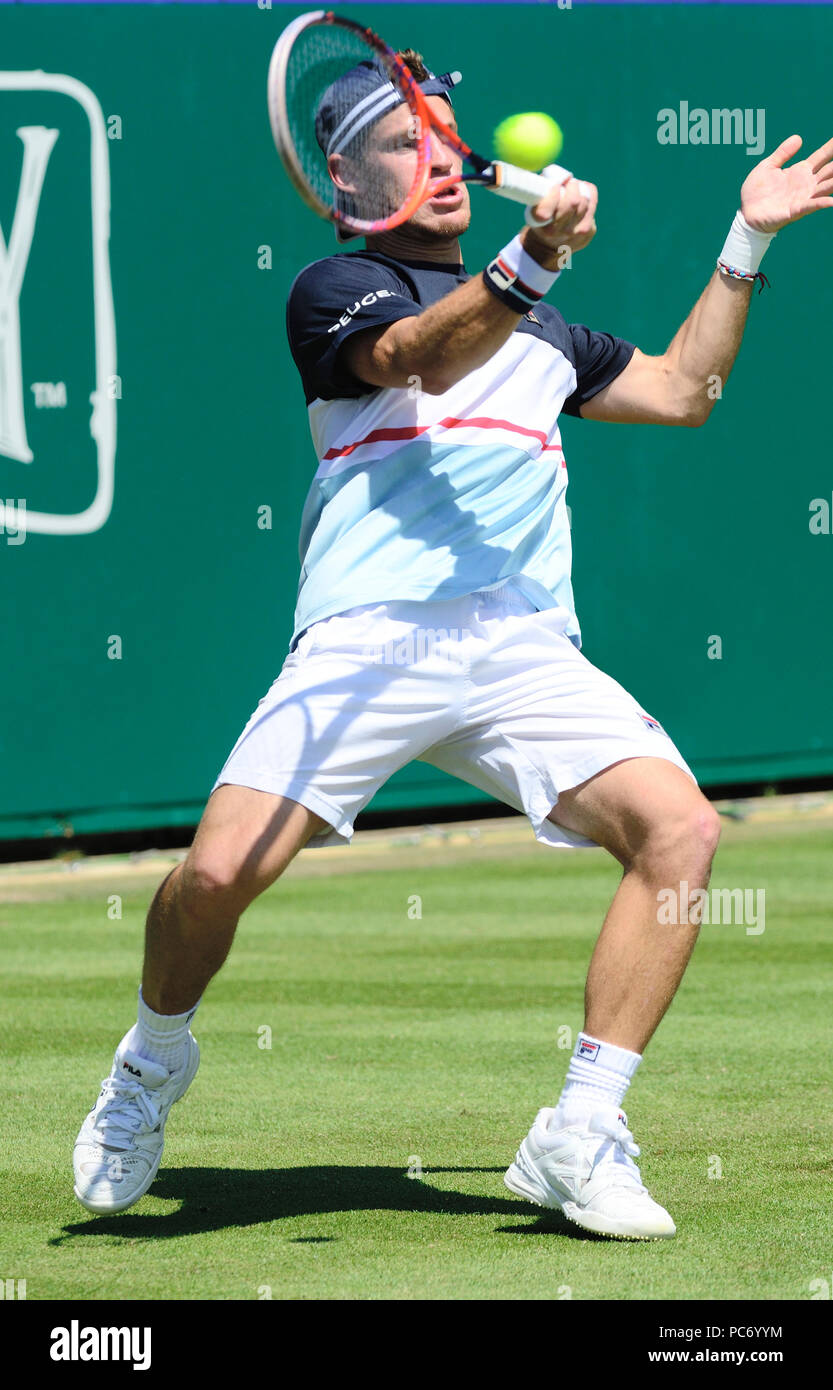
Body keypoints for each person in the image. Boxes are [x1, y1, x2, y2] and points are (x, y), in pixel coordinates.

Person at [73, 50, 833, 1240]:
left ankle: (578, 1132)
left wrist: (745, 237)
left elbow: (687, 391)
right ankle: (151, 1061)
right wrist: (532, 258)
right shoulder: (335, 287)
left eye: (445, 135)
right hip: (360, 643)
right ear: (346, 179)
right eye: (401, 140)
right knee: (213, 876)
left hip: (519, 643)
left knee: (679, 828)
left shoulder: (550, 338)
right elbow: (418, 354)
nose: (438, 158)